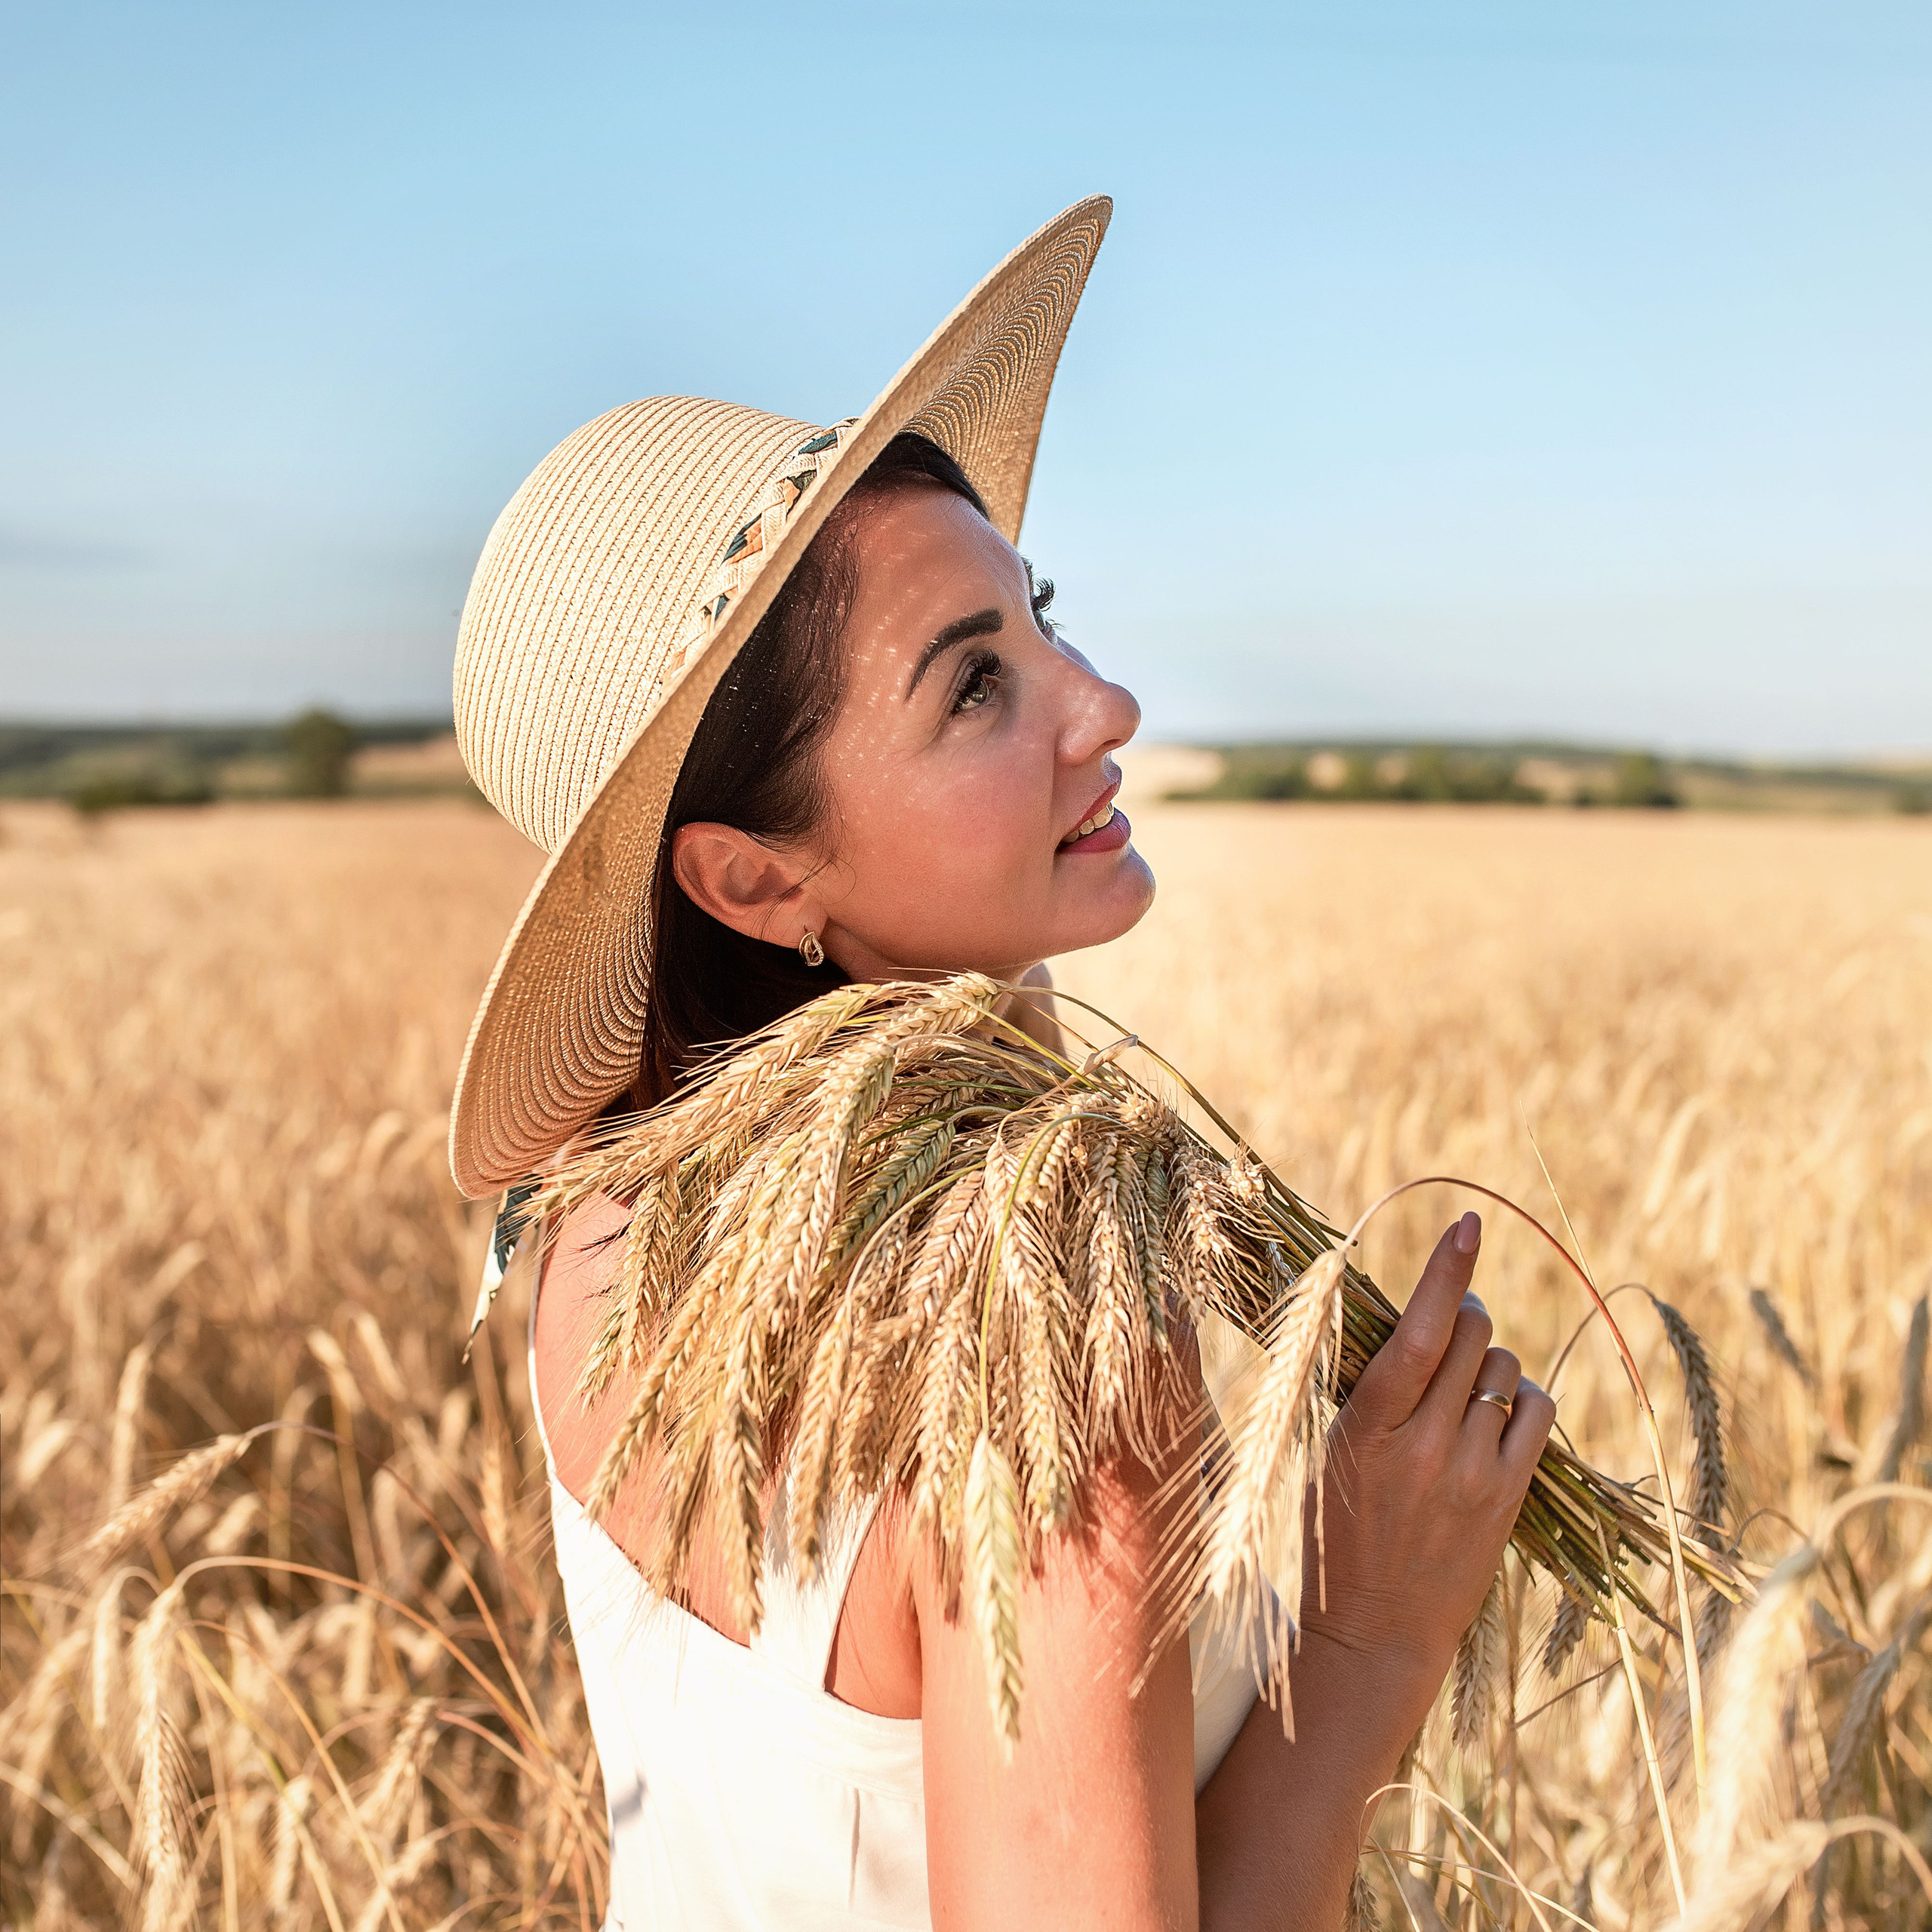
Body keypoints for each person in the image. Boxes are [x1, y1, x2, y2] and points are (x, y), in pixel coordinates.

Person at [449, 198, 1556, 1931]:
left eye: (1037, 618)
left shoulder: (588, 1219)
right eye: (974, 688)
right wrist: (1362, 1636)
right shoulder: (1043, 1329)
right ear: (754, 873)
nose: (1100, 703)